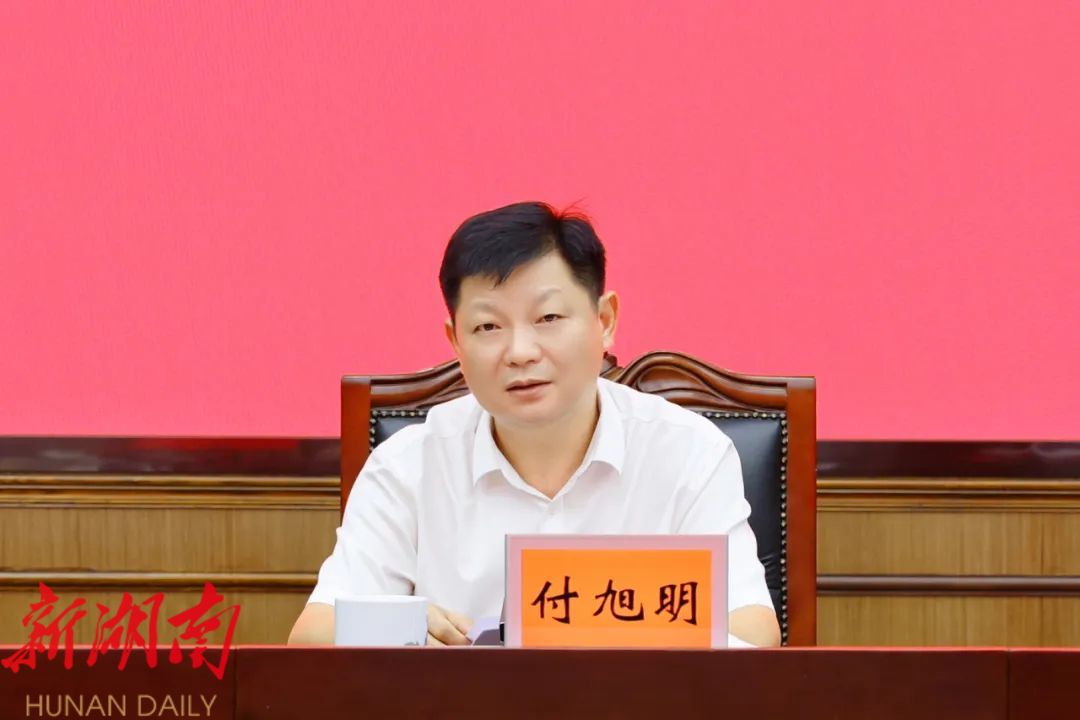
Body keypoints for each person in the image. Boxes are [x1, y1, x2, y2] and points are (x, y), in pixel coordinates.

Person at [288, 201, 780, 647]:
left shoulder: (687, 452)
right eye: (488, 327)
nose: (520, 352)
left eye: (548, 318)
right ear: (455, 341)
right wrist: (403, 631)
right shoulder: (408, 466)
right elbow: (312, 636)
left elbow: (753, 631)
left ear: (605, 319)